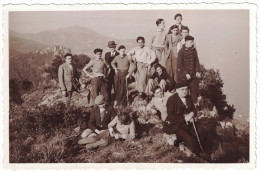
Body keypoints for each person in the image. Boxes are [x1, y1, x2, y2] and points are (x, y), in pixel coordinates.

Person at [163, 82, 201, 155]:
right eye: (182, 89)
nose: (185, 91)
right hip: (174, 125)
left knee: (201, 134)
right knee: (191, 140)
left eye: (186, 89)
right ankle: (196, 158)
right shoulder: (171, 100)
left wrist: (191, 114)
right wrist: (185, 118)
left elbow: (194, 109)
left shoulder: (188, 97)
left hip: (187, 124)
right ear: (177, 90)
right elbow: (171, 116)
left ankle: (202, 152)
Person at [177, 35, 201, 104]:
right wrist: (186, 73)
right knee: (185, 92)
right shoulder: (181, 51)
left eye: (192, 42)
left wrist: (197, 71)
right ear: (186, 42)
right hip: (184, 77)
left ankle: (194, 107)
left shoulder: (194, 50)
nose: (192, 43)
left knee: (194, 91)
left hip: (193, 76)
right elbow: (179, 64)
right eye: (191, 42)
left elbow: (197, 61)